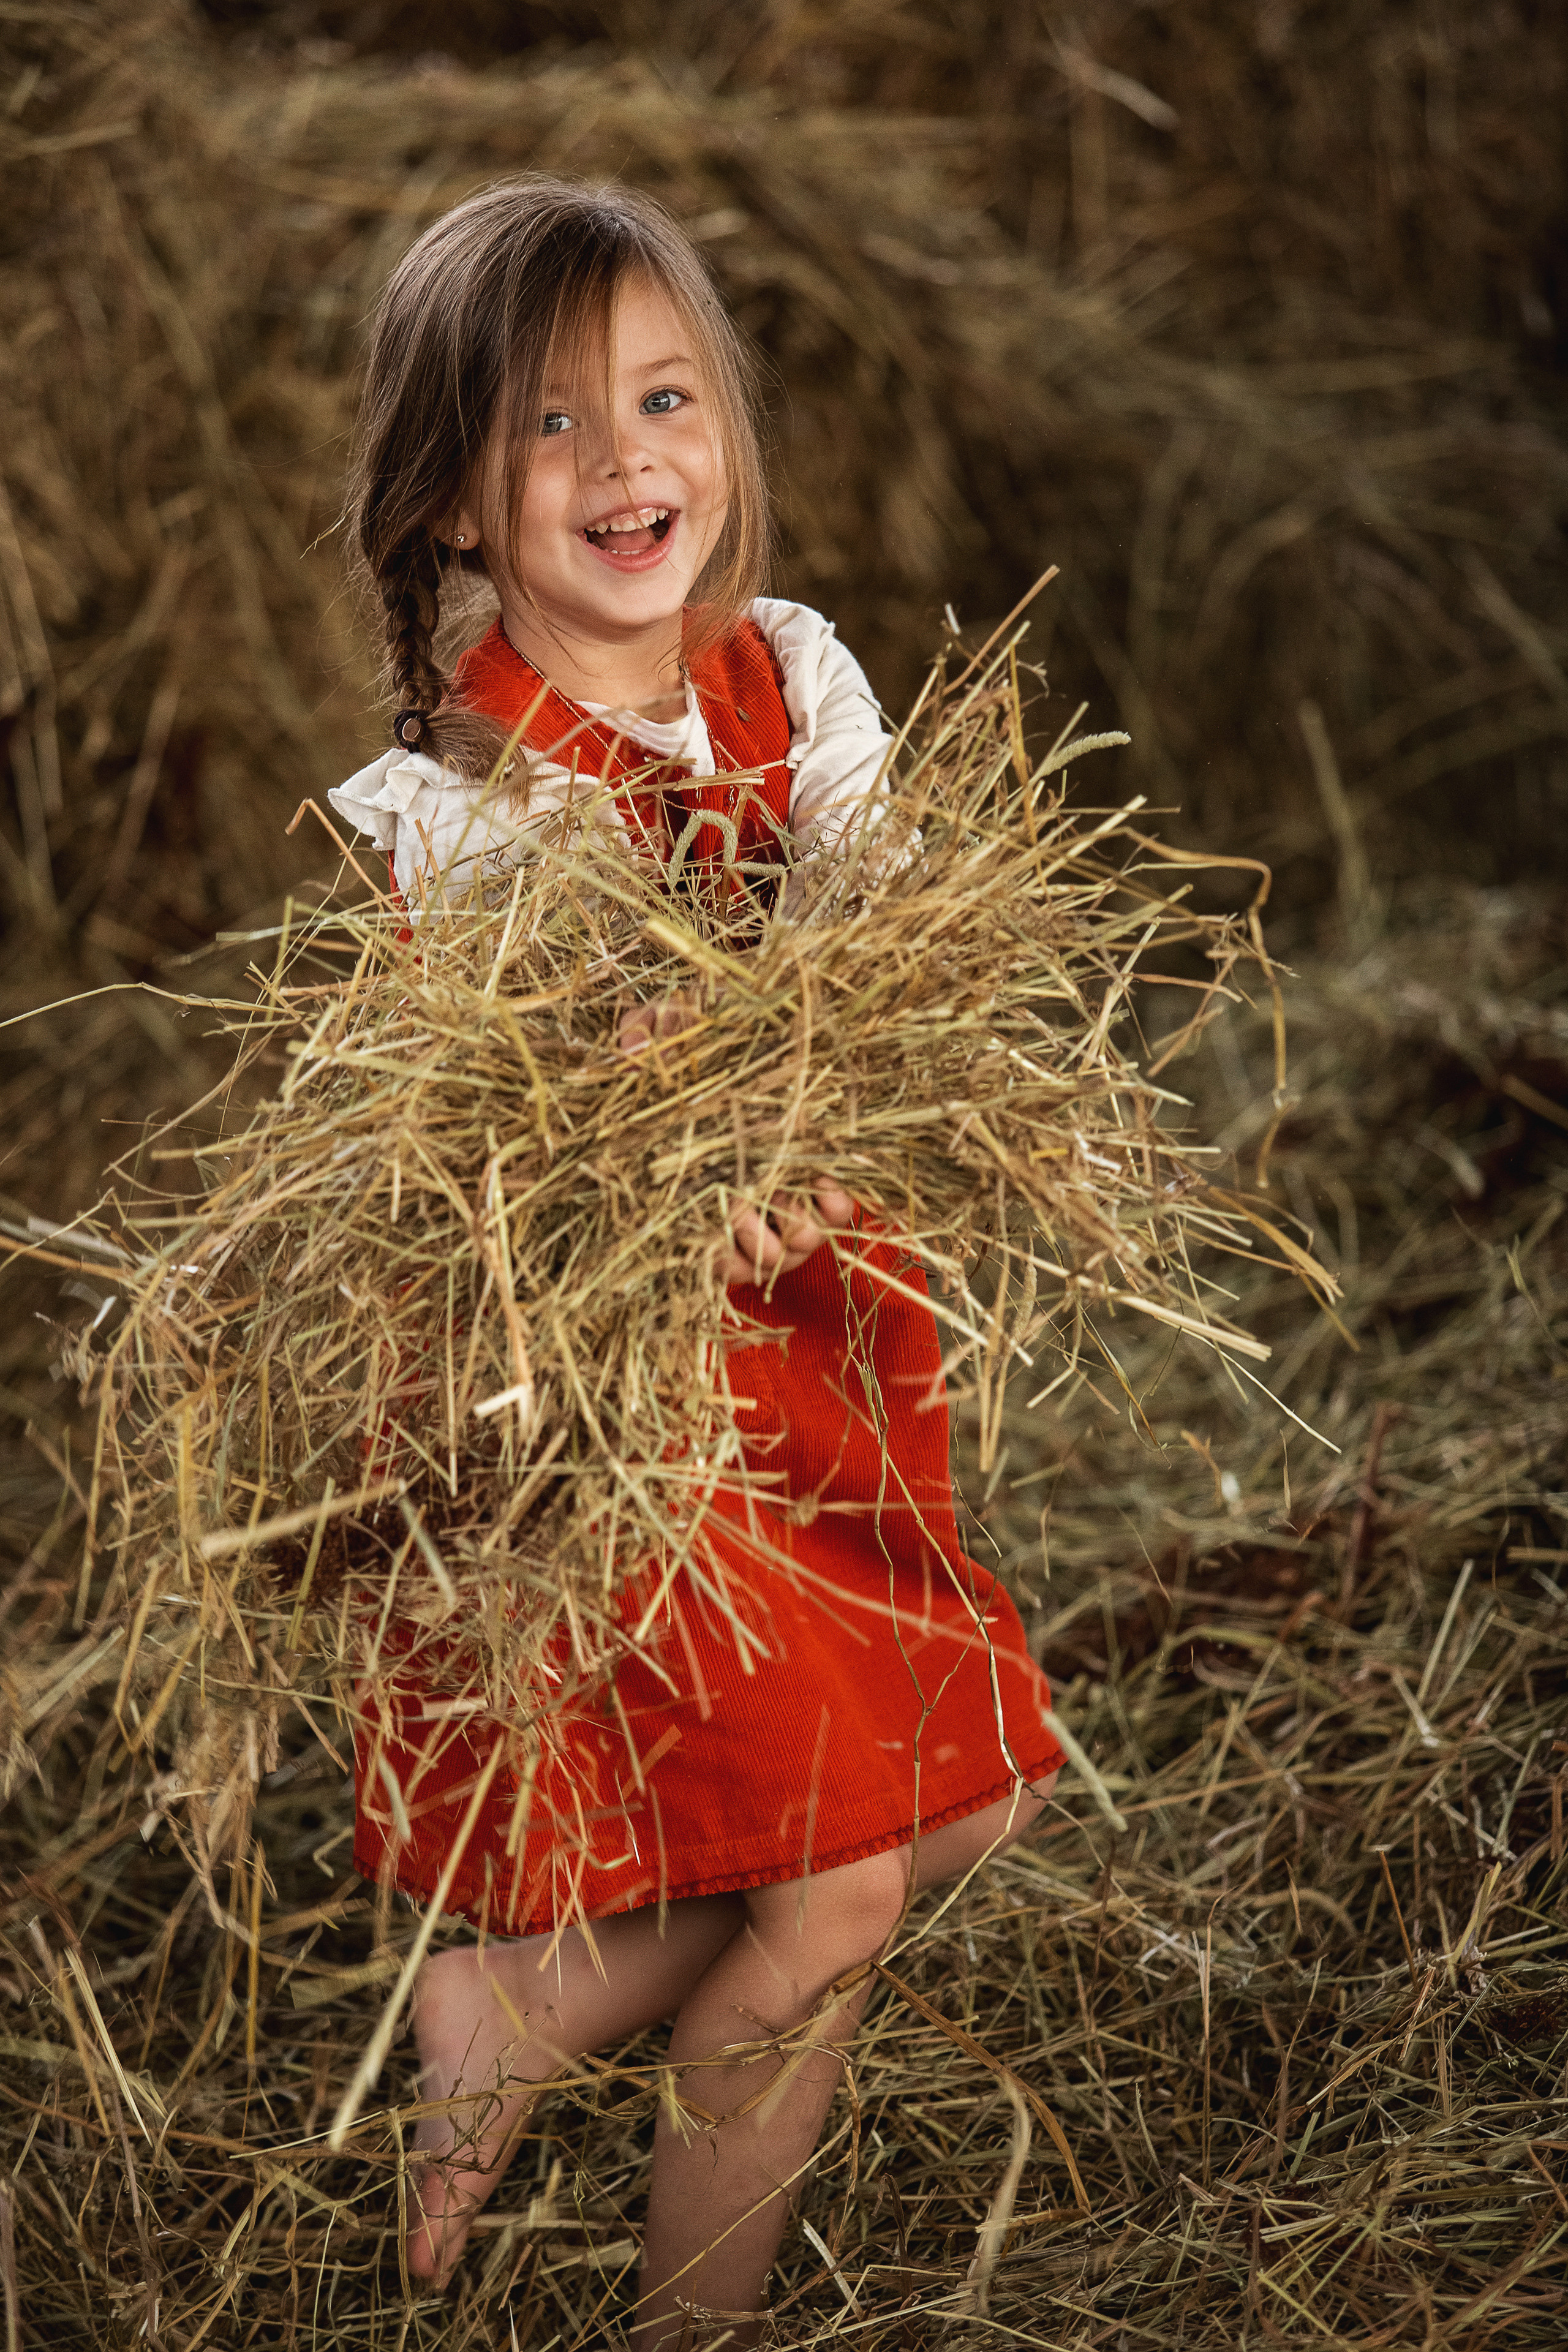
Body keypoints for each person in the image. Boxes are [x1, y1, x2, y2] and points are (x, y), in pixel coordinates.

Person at [328, 175, 1065, 2350]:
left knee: (985, 1786)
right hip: (633, 1419)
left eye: (666, 398)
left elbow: (889, 948)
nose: (629, 459)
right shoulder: (454, 804)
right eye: (554, 426)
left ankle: (524, 2003)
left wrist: (800, 1063)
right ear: (455, 502)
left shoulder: (794, 679)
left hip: (828, 1357)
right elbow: (542, 1112)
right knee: (836, 1880)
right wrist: (679, 1096)